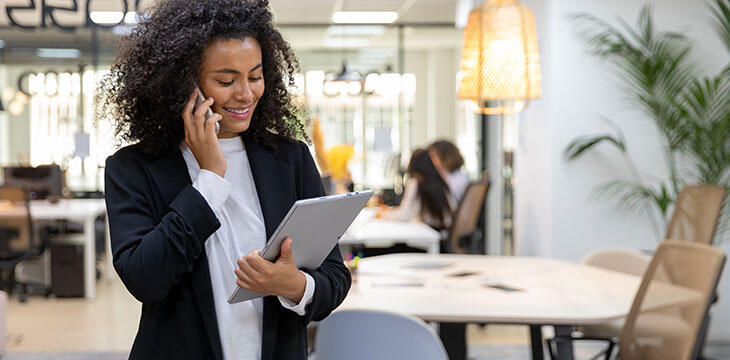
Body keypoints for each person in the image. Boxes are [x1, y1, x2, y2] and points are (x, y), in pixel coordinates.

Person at [99, 1, 350, 359]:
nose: (246, 94)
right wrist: (210, 179)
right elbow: (145, 279)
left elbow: (335, 277)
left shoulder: (290, 159)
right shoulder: (134, 169)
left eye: (255, 76)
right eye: (226, 80)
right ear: (183, 84)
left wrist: (296, 286)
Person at [379, 149, 456, 231]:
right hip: (443, 235)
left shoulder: (416, 183)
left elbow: (404, 214)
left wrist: (383, 215)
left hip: (427, 237)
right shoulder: (441, 183)